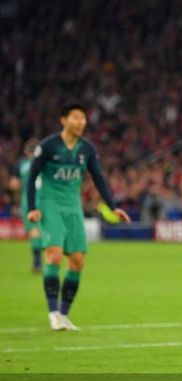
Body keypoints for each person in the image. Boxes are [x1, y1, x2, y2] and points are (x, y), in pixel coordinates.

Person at [27, 102, 131, 331]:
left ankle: (64, 314)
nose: (80, 122)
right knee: (53, 255)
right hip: (50, 204)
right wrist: (32, 208)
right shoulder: (47, 146)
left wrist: (112, 207)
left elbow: (98, 178)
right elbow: (31, 177)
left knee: (77, 261)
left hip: (73, 206)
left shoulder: (87, 149)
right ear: (63, 120)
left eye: (83, 118)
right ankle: (53, 313)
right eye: (75, 117)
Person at [9, 138, 42, 273]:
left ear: (26, 152)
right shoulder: (45, 163)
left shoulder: (21, 164)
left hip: (28, 200)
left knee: (34, 230)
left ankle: (37, 260)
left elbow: (13, 184)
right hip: (46, 199)